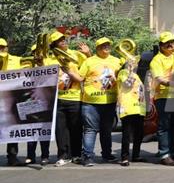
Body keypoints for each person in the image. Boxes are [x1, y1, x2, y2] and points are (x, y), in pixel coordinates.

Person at [43, 31, 87, 167]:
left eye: (64, 39)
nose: (63, 41)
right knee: (61, 129)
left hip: (75, 97)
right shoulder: (49, 59)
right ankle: (63, 155)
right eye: (59, 40)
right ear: (53, 44)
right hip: (58, 98)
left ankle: (76, 155)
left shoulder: (76, 54)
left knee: (76, 128)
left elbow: (88, 66)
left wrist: (88, 53)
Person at [78, 37, 122, 166]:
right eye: (103, 46)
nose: (106, 47)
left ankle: (107, 154)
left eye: (108, 45)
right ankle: (87, 156)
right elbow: (80, 77)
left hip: (110, 101)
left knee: (106, 130)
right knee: (90, 130)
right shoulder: (89, 61)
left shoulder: (117, 61)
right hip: (91, 102)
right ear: (97, 48)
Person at [150, 32, 174, 166]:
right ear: (161, 45)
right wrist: (171, 83)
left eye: (172, 42)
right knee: (164, 126)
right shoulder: (157, 60)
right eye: (166, 43)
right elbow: (158, 78)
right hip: (163, 96)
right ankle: (164, 154)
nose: (170, 45)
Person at [116, 55, 146, 166]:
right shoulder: (123, 73)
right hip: (127, 108)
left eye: (135, 62)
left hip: (138, 108)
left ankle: (136, 155)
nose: (134, 64)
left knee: (139, 134)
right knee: (127, 134)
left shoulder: (136, 75)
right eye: (131, 62)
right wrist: (131, 71)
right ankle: (125, 157)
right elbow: (127, 84)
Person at [1, 38, 23, 166]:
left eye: (3, 47)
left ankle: (12, 156)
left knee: (13, 127)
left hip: (10, 97)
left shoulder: (16, 60)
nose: (1, 49)